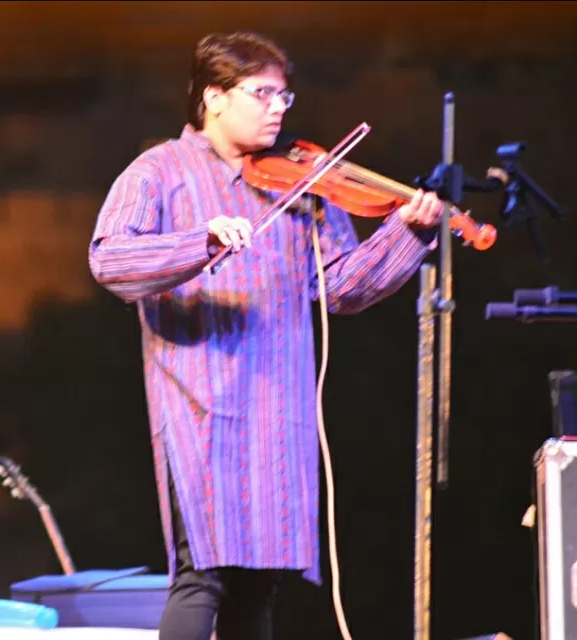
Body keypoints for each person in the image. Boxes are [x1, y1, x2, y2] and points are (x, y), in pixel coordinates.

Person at [88, 31, 444, 640]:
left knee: (259, 584)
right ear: (214, 97)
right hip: (198, 406)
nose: (279, 106)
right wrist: (199, 242)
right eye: (263, 93)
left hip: (278, 407)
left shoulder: (302, 184)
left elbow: (342, 287)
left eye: (285, 95)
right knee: (204, 575)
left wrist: (405, 234)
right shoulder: (157, 172)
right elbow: (112, 261)